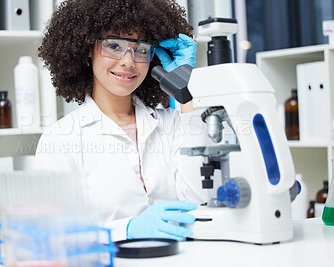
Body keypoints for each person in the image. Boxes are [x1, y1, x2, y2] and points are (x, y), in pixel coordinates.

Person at [35, 0, 208, 241]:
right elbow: (56, 234)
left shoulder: (173, 124)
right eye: (114, 45)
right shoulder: (61, 139)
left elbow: (201, 202)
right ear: (87, 49)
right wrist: (125, 230)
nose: (128, 61)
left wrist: (186, 92)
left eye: (140, 49)